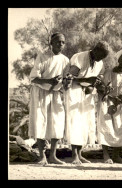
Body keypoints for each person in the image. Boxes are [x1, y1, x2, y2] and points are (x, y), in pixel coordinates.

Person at [63, 41, 109, 165]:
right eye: (101, 55)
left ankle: (80, 154)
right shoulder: (80, 57)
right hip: (75, 91)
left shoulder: (100, 63)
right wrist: (87, 80)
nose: (101, 59)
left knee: (85, 123)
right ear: (95, 50)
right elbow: (69, 77)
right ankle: (74, 156)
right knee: (75, 122)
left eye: (104, 57)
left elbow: (97, 77)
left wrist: (97, 84)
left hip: (88, 94)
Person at [28, 32, 69, 165]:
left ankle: (52, 156)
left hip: (55, 94)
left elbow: (65, 80)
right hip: (40, 93)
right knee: (40, 122)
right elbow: (33, 78)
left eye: (62, 42)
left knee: (57, 123)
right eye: (57, 42)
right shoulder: (42, 56)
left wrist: (65, 82)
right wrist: (49, 81)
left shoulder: (65, 60)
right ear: (51, 43)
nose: (60, 44)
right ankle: (42, 156)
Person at [97, 48, 122, 164]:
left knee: (120, 129)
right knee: (106, 127)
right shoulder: (109, 72)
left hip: (121, 105)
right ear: (118, 60)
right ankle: (106, 154)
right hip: (107, 102)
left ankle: (116, 155)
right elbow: (101, 88)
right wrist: (111, 96)